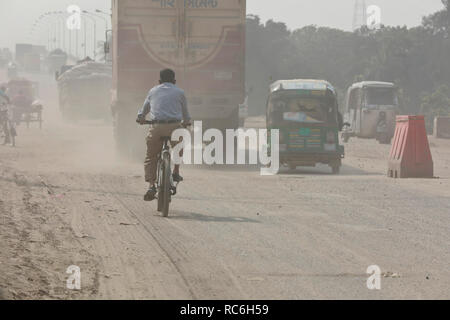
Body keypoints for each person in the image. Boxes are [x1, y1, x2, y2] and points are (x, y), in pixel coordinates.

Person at [137, 69, 191, 201]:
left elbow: (143, 110)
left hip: (157, 127)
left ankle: (151, 185)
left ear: (159, 81)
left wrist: (141, 118)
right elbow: (186, 114)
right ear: (174, 81)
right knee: (179, 146)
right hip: (175, 127)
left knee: (151, 156)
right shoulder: (180, 92)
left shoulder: (153, 91)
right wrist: (187, 122)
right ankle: (176, 171)